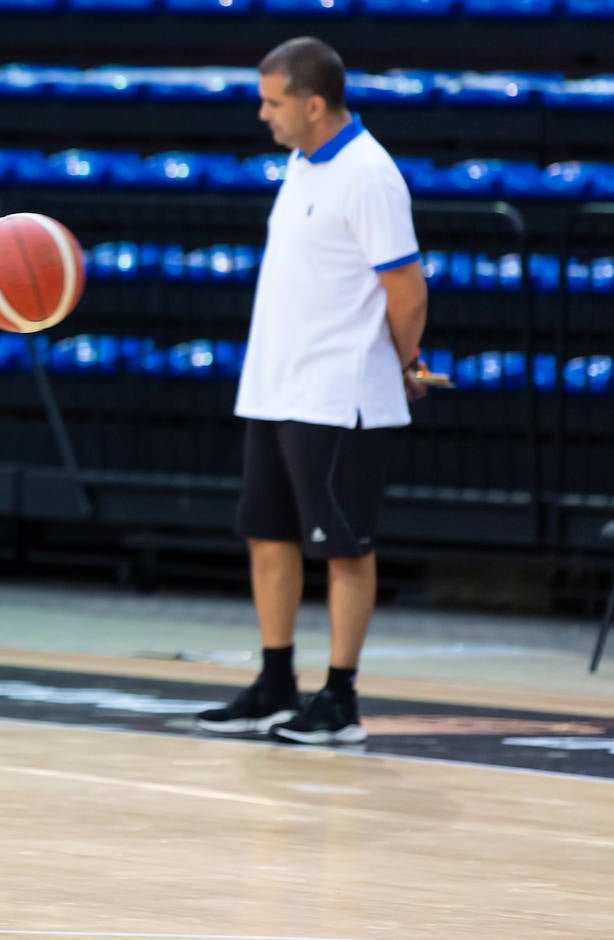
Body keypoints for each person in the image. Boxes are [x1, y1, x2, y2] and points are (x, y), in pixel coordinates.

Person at [195, 37, 429, 747]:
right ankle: (275, 681)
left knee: (345, 548)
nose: (263, 115)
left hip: (339, 393)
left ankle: (341, 697)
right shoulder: (302, 163)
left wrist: (406, 362)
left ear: (314, 103)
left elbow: (407, 289)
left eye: (273, 102)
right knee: (267, 535)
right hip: (275, 387)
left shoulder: (370, 175)